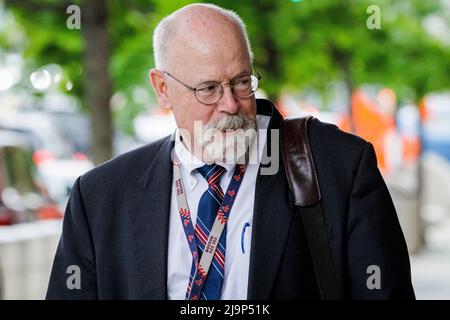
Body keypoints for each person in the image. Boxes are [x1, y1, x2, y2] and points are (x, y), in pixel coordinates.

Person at [46, 3, 415, 300]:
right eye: (207, 88)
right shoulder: (99, 198)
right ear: (162, 88)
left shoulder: (340, 168)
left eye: (241, 82)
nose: (230, 105)